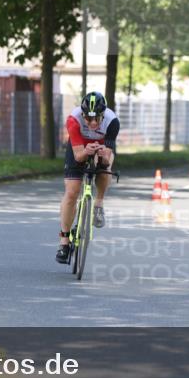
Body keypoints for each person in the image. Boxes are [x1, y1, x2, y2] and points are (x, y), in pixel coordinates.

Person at [56, 92, 119, 264]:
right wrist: (86, 151)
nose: (92, 123)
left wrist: (103, 156)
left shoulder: (112, 121)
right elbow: (78, 156)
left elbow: (108, 158)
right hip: (79, 147)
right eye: (88, 119)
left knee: (105, 169)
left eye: (96, 119)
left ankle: (98, 203)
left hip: (101, 145)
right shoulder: (73, 120)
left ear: (103, 115)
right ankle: (64, 241)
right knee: (71, 192)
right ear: (82, 114)